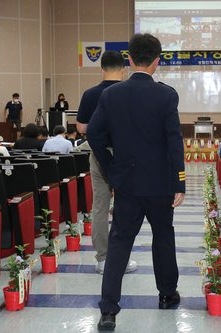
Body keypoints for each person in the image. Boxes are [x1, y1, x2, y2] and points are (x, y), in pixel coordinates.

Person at [87, 33, 185, 331]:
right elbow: (174, 142)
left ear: (129, 59)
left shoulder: (111, 94)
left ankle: (108, 310)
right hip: (159, 184)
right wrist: (179, 182)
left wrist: (111, 169)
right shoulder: (167, 95)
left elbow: (93, 134)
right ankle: (167, 294)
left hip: (126, 182)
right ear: (157, 61)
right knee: (163, 237)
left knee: (119, 243)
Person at [75, 50, 138, 275]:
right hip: (124, 157)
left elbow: (82, 128)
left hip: (98, 154)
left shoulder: (91, 93)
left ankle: (102, 258)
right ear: (123, 69)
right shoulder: (129, 93)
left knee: (100, 207)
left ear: (101, 68)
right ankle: (122, 258)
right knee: (126, 207)